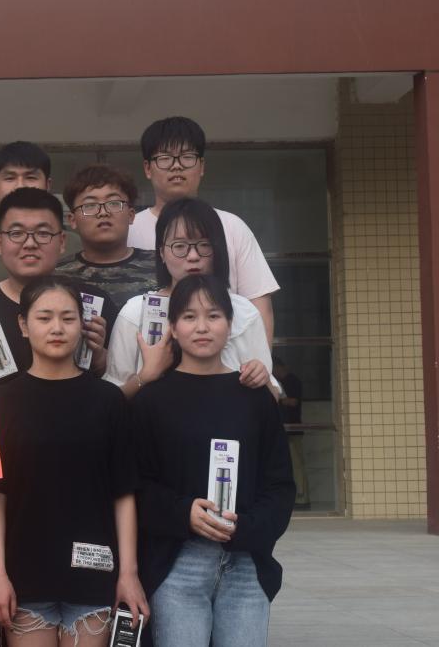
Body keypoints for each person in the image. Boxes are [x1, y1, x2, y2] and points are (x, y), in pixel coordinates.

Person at [0, 276, 148, 647]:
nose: (56, 328)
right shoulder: (0, 401)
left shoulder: (108, 401)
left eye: (68, 318)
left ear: (82, 324)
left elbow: (123, 494)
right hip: (25, 577)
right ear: (23, 325)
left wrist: (129, 573)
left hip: (95, 576)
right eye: (44, 318)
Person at [133, 274, 295, 647]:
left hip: (246, 564)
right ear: (173, 327)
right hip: (178, 564)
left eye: (214, 315)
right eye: (189, 317)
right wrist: (183, 512)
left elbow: (280, 484)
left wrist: (248, 528)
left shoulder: (255, 398)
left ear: (230, 324)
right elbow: (136, 485)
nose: (202, 327)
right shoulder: (151, 402)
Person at [0, 187, 112, 391]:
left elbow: (120, 384)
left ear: (62, 242)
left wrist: (99, 356)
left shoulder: (95, 307)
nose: (30, 243)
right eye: (17, 233)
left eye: (43, 233)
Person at [127, 117, 279, 343]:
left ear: (202, 166)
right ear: (148, 168)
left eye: (187, 157)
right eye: (165, 158)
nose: (176, 166)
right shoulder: (129, 229)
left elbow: (260, 309)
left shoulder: (232, 226)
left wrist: (260, 361)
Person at [104, 198, 273, 400]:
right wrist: (145, 376)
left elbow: (272, 395)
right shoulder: (135, 312)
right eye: (179, 246)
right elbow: (112, 400)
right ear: (162, 253)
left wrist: (262, 378)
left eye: (204, 245)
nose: (193, 256)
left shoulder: (244, 311)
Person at [0, 141, 81, 284]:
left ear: (48, 185)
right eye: (10, 178)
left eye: (30, 177)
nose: (20, 186)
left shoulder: (77, 246)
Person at [56, 163, 158, 319]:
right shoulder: (57, 277)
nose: (103, 212)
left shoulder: (162, 267)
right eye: (90, 205)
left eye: (114, 203)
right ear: (72, 220)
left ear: (131, 215)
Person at [274, 356, 310, 508]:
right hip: (284, 429)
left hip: (293, 429)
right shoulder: (282, 381)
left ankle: (302, 498)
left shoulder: (292, 381)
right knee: (289, 465)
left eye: (274, 369)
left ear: (280, 367)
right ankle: (294, 498)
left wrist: (278, 398)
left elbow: (293, 401)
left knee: (297, 465)